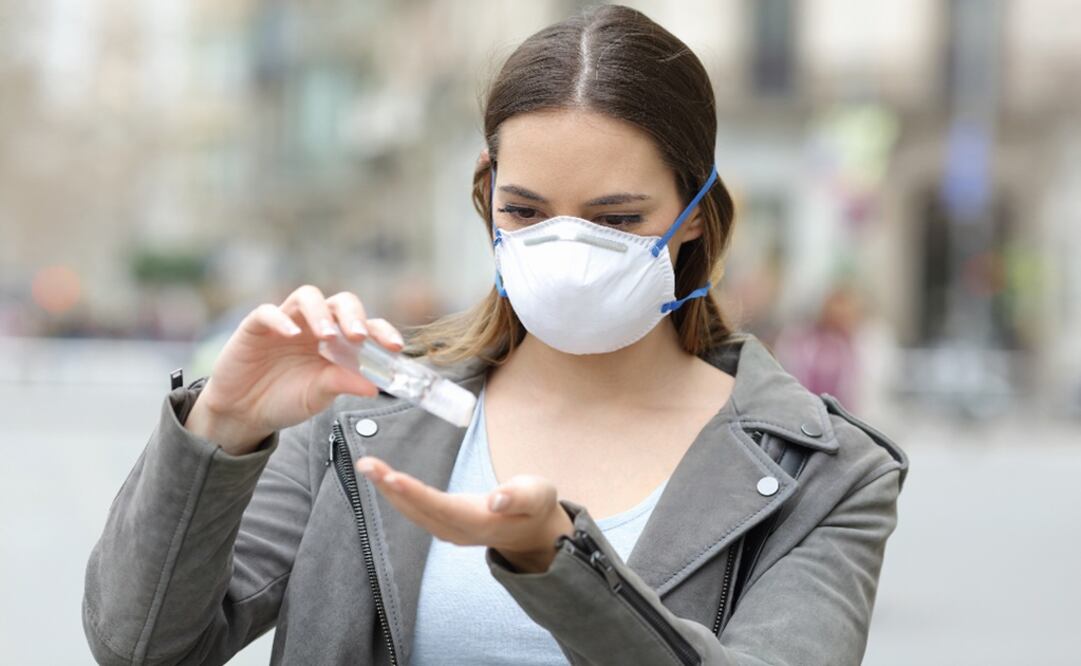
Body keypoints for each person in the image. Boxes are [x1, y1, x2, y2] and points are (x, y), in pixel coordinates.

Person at [83, 5, 908, 665]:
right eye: (525, 211)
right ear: (487, 199)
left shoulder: (825, 475)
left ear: (694, 218)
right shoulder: (358, 412)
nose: (569, 250)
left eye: (617, 219)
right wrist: (221, 427)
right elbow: (141, 646)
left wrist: (559, 564)